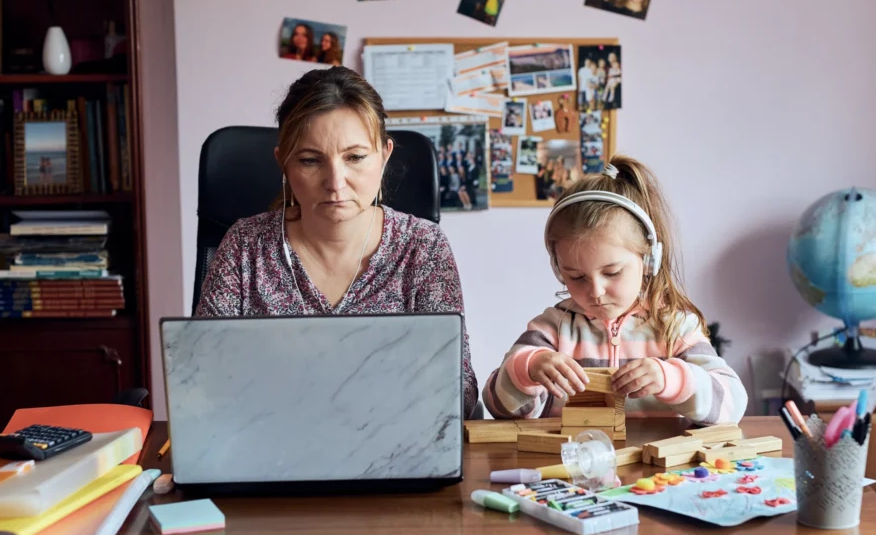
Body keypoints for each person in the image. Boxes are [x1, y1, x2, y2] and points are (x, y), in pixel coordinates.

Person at [196, 66, 479, 418]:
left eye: (355, 157)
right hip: (269, 449)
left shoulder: (423, 246)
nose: (335, 183)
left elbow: (459, 391)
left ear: (384, 155)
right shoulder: (244, 246)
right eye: (310, 160)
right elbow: (202, 380)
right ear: (283, 163)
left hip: (393, 451)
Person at [483, 155, 746, 424]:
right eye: (576, 277)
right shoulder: (553, 329)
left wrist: (674, 379)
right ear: (558, 268)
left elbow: (733, 405)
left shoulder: (676, 328)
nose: (596, 291)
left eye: (612, 273)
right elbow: (497, 406)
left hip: (656, 467)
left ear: (648, 261)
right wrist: (527, 369)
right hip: (569, 465)